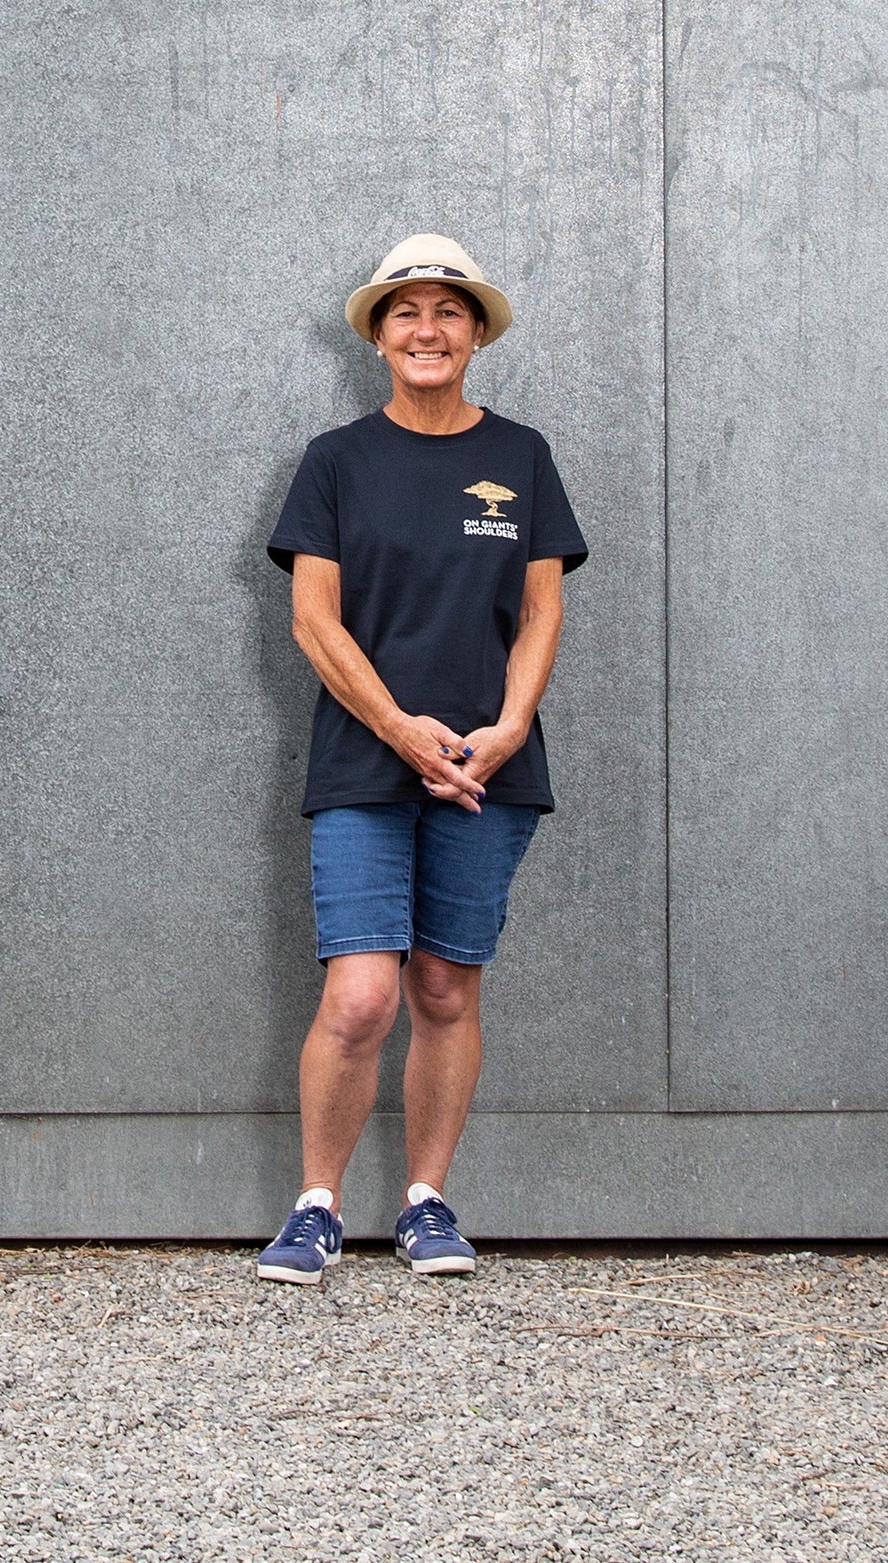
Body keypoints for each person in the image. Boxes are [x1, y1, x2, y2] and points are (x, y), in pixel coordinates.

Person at [254, 236, 581, 1286]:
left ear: (475, 333)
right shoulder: (336, 460)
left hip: (486, 766)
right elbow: (313, 620)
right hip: (365, 761)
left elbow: (540, 611)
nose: (426, 331)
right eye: (405, 313)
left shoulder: (521, 456)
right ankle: (316, 1210)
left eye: (448, 312)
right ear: (377, 336)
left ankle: (427, 1202)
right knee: (361, 997)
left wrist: (510, 726)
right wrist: (398, 728)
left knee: (444, 988)